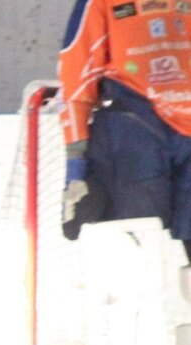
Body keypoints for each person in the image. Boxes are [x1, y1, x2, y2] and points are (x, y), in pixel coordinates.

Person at [59, 0, 191, 255]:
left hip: (134, 131)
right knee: (138, 250)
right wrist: (75, 167)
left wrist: (75, 166)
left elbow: (77, 73)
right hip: (133, 126)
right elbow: (77, 71)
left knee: (139, 251)